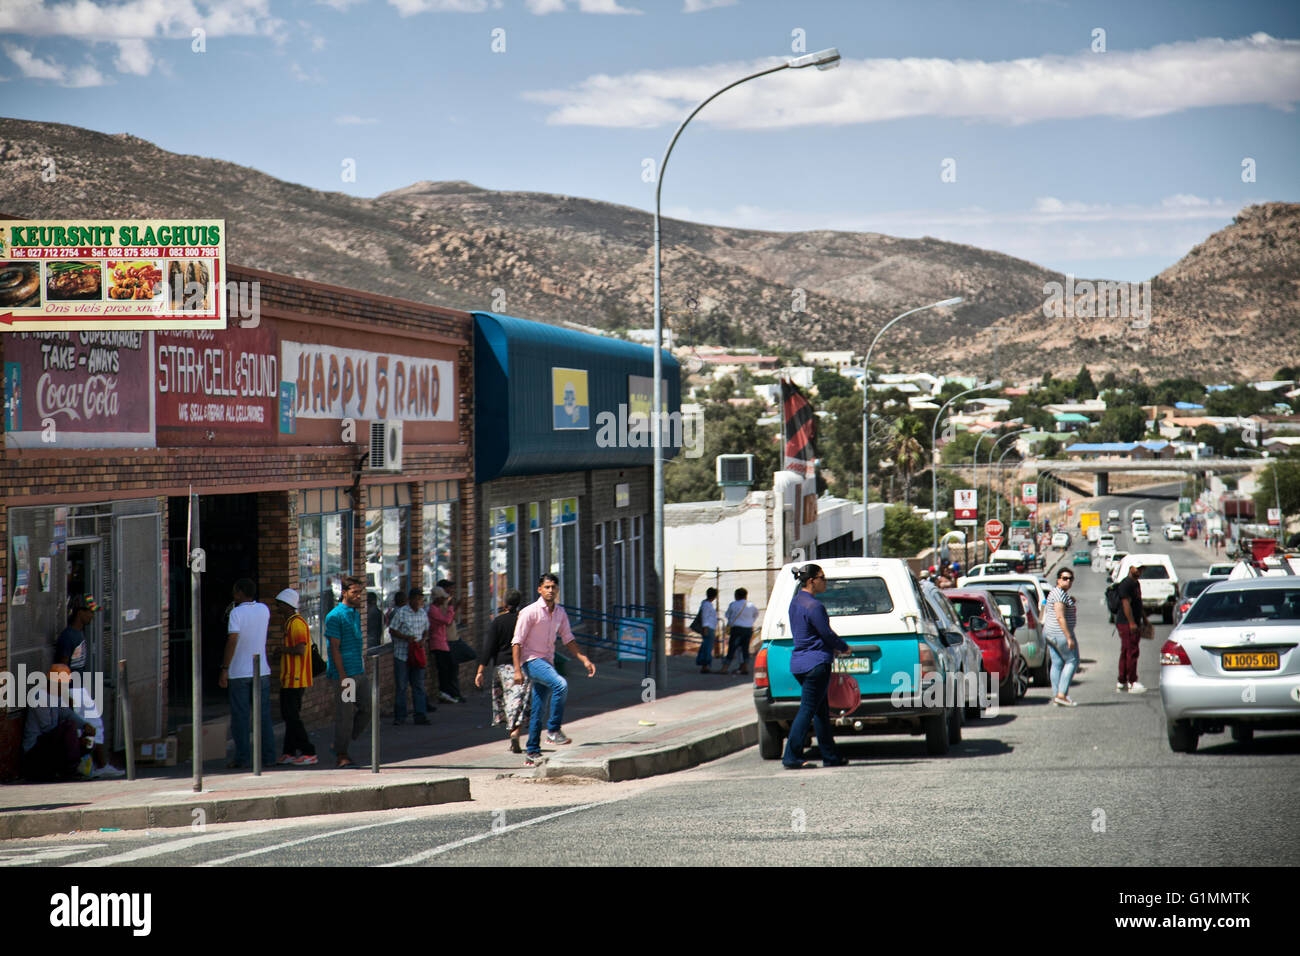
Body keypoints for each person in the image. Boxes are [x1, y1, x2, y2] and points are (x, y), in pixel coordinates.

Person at [512, 573, 596, 767]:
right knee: (561, 684)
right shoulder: (529, 612)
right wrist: (517, 670)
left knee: (539, 708)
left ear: (557, 590)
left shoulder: (560, 613)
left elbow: (568, 638)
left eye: (553, 587)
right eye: (547, 587)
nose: (550, 591)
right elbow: (517, 642)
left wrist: (584, 659)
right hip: (531, 661)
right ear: (539, 589)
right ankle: (553, 731)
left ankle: (532, 752)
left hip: (547, 662)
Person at [782, 564, 850, 770]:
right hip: (816, 664)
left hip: (800, 663)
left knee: (821, 711)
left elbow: (809, 633)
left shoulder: (795, 602)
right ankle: (791, 756)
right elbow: (825, 633)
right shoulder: (814, 606)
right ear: (811, 580)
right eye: (823, 577)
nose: (825, 581)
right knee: (808, 710)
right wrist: (843, 647)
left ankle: (830, 755)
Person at [220, 578, 276, 769]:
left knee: (241, 717)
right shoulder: (264, 609)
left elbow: (233, 640)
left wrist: (225, 668)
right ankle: (268, 756)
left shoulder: (236, 613)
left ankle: (243, 758)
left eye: (235, 591)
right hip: (261, 670)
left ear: (239, 593)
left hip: (239, 672)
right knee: (263, 716)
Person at [475, 588, 530, 753]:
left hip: (501, 667)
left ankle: (512, 733)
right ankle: (516, 732)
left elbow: (488, 648)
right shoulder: (524, 620)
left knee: (507, 701)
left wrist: (480, 671)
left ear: (504, 603)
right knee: (521, 701)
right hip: (522, 666)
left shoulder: (498, 622)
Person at [21, 667, 98, 781]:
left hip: (50, 744)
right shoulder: (39, 697)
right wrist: (75, 740)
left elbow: (66, 713)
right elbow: (47, 728)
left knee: (86, 737)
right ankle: (70, 770)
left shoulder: (55, 697)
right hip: (34, 751)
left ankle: (71, 767)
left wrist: (85, 725)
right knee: (69, 727)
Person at [326, 575, 370, 767]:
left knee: (368, 708)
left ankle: (340, 743)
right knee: (345, 715)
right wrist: (343, 676)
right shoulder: (334, 616)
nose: (359, 596)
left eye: (360, 592)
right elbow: (334, 648)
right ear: (344, 593)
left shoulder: (355, 613)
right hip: (346, 675)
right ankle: (341, 753)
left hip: (359, 671)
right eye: (355, 593)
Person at [274, 588, 317, 765]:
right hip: (290, 678)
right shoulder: (290, 623)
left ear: (287, 605)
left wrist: (281, 650)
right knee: (289, 716)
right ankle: (289, 751)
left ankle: (309, 751)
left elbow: (301, 649)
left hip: (296, 678)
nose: (277, 608)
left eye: (279, 605)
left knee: (292, 717)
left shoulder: (296, 624)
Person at [389, 586, 431, 726]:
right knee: (401, 686)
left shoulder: (422, 613)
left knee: (418, 685)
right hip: (402, 654)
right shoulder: (401, 613)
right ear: (411, 599)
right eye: (418, 599)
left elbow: (426, 629)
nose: (420, 601)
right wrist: (406, 637)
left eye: (421, 599)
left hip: (417, 653)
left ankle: (420, 715)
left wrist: (423, 640)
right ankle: (400, 716)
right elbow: (392, 630)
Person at [1043, 569, 1079, 706]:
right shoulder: (1059, 595)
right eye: (1065, 578)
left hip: (1050, 633)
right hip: (1059, 633)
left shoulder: (1059, 593)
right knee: (1072, 661)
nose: (1068, 581)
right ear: (1058, 579)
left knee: (1057, 663)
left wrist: (1070, 601)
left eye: (1070, 579)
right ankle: (1062, 694)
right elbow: (1060, 617)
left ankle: (1057, 695)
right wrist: (1069, 637)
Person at [427, 586, 462, 703]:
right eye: (442, 598)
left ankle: (448, 692)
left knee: (448, 669)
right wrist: (451, 607)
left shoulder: (438, 608)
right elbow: (447, 621)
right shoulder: (433, 610)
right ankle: (444, 693)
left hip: (443, 642)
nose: (444, 601)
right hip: (437, 643)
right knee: (444, 670)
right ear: (437, 599)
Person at [1116, 563, 1147, 694]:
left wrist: (1144, 619)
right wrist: (1132, 622)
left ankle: (1122, 681)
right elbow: (1125, 603)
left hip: (1133, 621)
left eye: (1142, 569)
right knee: (1132, 651)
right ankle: (1132, 681)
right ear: (1130, 568)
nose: (1139, 571)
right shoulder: (1126, 584)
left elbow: (1138, 603)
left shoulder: (1136, 583)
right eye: (1137, 568)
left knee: (1126, 650)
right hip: (1127, 622)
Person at [719, 587, 758, 676]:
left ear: (736, 596)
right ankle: (744, 667)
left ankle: (725, 668)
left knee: (732, 648)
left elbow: (727, 615)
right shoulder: (751, 605)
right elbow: (756, 615)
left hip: (736, 629)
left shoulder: (733, 604)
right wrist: (749, 622)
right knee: (745, 649)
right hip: (748, 629)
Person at [56, 594, 98, 674]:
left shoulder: (79, 633)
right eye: (91, 612)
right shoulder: (68, 636)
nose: (92, 616)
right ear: (80, 612)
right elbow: (62, 665)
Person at [695, 587, 718, 674]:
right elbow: (705, 617)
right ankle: (705, 665)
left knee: (707, 646)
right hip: (708, 628)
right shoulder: (706, 605)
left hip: (710, 627)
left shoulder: (707, 604)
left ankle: (705, 664)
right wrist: (705, 628)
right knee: (707, 647)